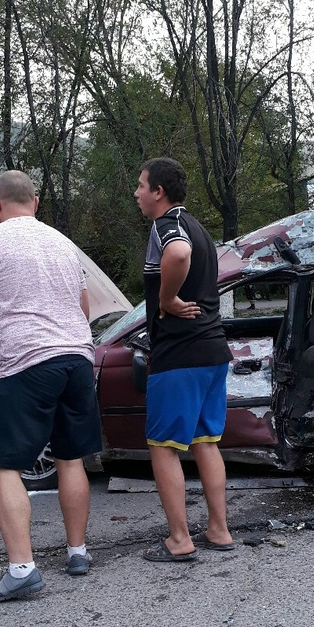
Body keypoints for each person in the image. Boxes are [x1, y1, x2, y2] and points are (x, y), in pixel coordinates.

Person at [0, 169, 101, 602]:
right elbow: (83, 306)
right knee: (71, 456)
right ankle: (78, 553)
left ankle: (22, 571)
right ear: (35, 203)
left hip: (28, 362)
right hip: (78, 357)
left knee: (2, 463)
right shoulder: (61, 242)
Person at [133, 157, 234, 561]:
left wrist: (166, 299)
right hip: (212, 351)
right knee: (206, 443)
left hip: (179, 354)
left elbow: (176, 254)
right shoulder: (201, 228)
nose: (137, 193)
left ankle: (179, 540)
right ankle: (219, 530)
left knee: (163, 447)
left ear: (159, 191)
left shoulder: (167, 226)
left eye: (141, 186)